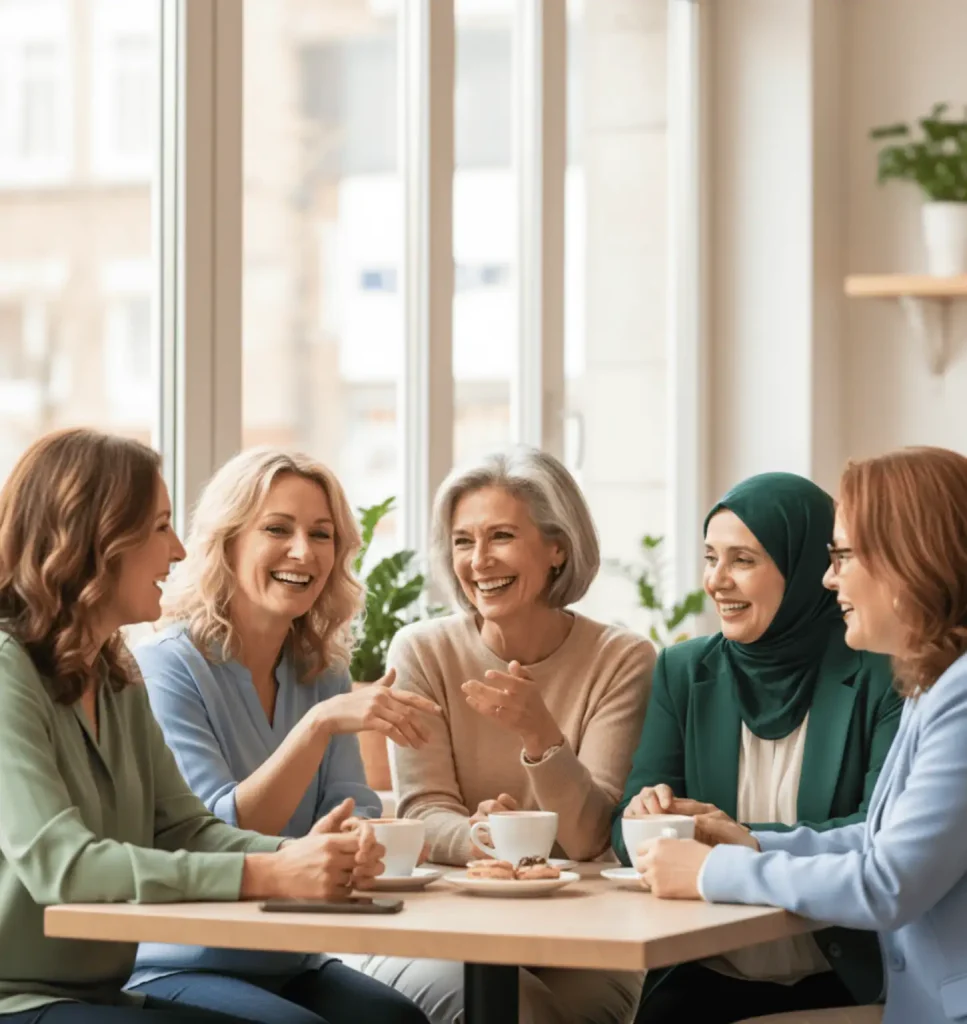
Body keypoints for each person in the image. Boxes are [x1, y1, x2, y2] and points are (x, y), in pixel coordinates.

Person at [0, 429, 387, 1024]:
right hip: (20, 998)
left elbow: (187, 828)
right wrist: (270, 870)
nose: (178, 550)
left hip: (104, 992)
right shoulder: (7, 672)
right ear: (94, 536)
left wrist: (300, 855)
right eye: (160, 526)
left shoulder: (113, 673)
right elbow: (64, 866)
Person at [637, 446, 967, 1024]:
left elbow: (888, 882)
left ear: (907, 559)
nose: (827, 576)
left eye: (842, 555)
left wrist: (714, 871)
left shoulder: (959, 695)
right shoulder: (935, 682)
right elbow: (879, 837)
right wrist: (752, 842)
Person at [125, 447, 438, 1024]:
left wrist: (359, 838)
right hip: (182, 959)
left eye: (321, 534)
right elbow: (214, 834)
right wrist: (318, 726)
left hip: (292, 956)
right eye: (277, 528)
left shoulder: (323, 668)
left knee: (399, 1021)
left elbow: (356, 806)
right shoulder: (169, 665)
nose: (303, 551)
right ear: (227, 541)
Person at [357, 446, 655, 1024]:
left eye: (501, 537)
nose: (479, 561)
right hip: (448, 922)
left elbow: (592, 836)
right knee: (517, 1012)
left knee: (588, 1011)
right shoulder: (423, 651)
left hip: (581, 922)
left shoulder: (622, 658)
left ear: (556, 548)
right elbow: (423, 810)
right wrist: (486, 840)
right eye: (464, 541)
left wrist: (539, 734)